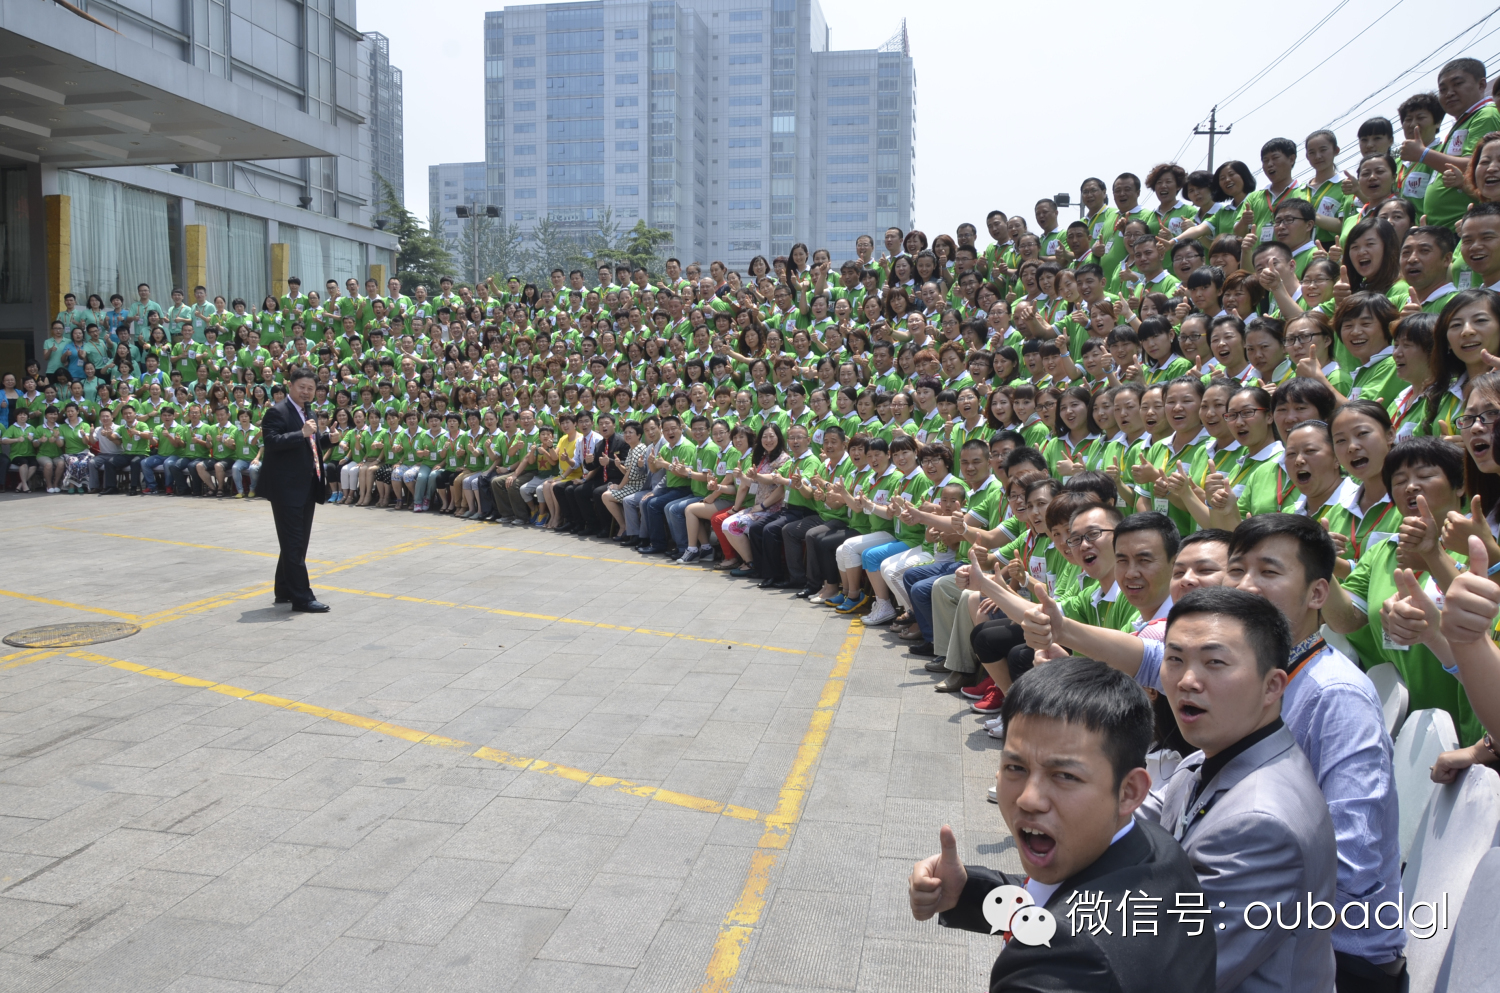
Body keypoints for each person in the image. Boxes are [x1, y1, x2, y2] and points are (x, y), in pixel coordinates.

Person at [908, 658, 1215, 993]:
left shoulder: (1063, 967)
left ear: (1129, 792)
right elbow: (1065, 896)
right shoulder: (1155, 846)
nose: (1029, 799)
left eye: (1065, 776)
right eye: (1015, 767)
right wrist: (966, 892)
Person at [1142, 587, 1338, 993]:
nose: (1188, 681)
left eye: (1215, 663)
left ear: (1272, 686)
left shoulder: (1261, 825)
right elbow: (1119, 833)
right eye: (1174, 659)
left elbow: (1177, 974)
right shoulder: (1202, 760)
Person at [254, 366, 332, 613]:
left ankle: (284, 589)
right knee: (294, 543)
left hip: (306, 486)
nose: (307, 392)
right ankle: (302, 597)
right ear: (291, 385)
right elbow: (272, 442)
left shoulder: (308, 411)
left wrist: (328, 439)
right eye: (302, 387)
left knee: (295, 543)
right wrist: (301, 433)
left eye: (311, 388)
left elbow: (308, 443)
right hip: (286, 489)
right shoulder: (276, 412)